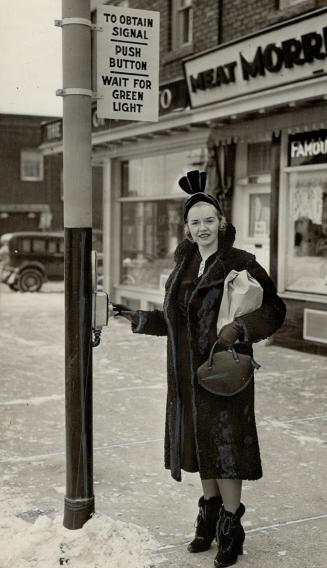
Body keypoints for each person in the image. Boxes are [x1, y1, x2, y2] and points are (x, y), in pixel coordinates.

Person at [112, 170, 286, 568]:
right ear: (187, 228)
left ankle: (230, 527)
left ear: (221, 223)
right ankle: (207, 517)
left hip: (224, 374)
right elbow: (176, 321)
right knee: (199, 447)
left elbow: (274, 310)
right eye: (196, 222)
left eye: (210, 220)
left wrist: (241, 327)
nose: (203, 227)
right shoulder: (184, 264)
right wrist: (134, 317)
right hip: (187, 377)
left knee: (226, 451)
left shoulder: (240, 263)